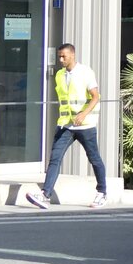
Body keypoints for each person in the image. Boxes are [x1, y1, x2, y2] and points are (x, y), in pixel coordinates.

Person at [27, 44, 108, 209]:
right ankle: (45, 195)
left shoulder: (86, 72)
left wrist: (83, 114)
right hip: (66, 125)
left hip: (85, 126)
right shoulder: (59, 75)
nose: (61, 59)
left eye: (64, 56)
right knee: (55, 159)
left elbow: (95, 96)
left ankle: (102, 192)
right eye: (59, 57)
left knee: (94, 158)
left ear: (72, 55)